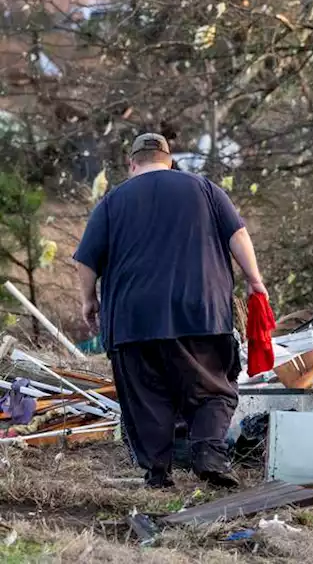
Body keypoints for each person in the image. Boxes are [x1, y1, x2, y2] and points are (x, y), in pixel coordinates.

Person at [73, 133, 267, 489]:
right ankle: (209, 453)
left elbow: (86, 260)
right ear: (169, 160)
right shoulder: (205, 189)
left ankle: (158, 474)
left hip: (133, 319)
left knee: (146, 398)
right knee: (214, 387)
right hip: (201, 311)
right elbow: (237, 235)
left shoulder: (112, 201)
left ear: (132, 164)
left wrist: (89, 300)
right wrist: (255, 281)